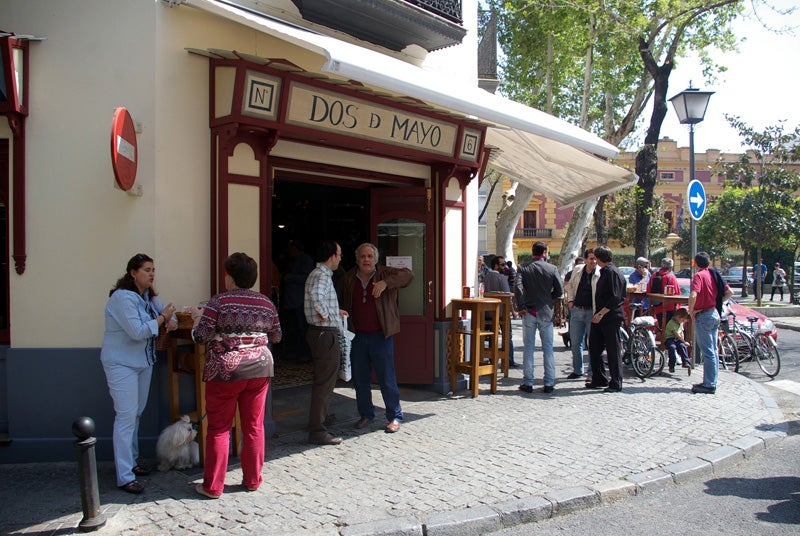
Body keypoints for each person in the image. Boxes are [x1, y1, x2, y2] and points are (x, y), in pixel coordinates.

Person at [191, 252, 282, 499]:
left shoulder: (218, 302)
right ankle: (253, 480)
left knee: (220, 428)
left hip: (226, 371)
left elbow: (201, 336)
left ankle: (213, 486)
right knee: (254, 426)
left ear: (228, 276)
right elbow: (276, 336)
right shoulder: (266, 303)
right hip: (260, 369)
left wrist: (198, 319)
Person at [101, 253, 177, 494]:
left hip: (143, 362)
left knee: (136, 414)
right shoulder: (123, 298)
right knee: (125, 416)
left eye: (153, 269)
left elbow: (168, 313)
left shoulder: (148, 297)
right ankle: (124, 475)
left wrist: (170, 319)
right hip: (121, 364)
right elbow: (137, 331)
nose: (152, 274)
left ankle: (131, 463)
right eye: (146, 270)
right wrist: (163, 318)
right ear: (133, 273)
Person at [337, 243, 413, 433]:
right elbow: (341, 300)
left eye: (370, 256)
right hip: (358, 336)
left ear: (376, 259)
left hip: (381, 335)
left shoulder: (385, 273)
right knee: (360, 379)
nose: (366, 260)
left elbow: (408, 275)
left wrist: (386, 283)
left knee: (387, 378)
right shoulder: (348, 277)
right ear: (357, 259)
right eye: (362, 256)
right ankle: (366, 414)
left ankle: (395, 416)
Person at [304, 240, 348, 445]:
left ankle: (319, 419)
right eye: (339, 254)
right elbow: (316, 296)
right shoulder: (321, 275)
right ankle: (317, 430)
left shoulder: (319, 275)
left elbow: (318, 297)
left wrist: (333, 312)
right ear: (331, 256)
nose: (340, 258)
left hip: (322, 332)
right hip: (324, 333)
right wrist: (325, 314)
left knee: (325, 380)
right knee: (325, 382)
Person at [514, 241, 563, 394]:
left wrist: (521, 306)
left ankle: (528, 382)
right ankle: (549, 382)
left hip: (529, 311)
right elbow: (559, 290)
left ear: (532, 252)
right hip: (546, 311)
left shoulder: (523, 268)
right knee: (548, 348)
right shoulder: (552, 268)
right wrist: (549, 298)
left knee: (528, 348)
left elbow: (518, 287)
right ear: (545, 253)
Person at [688, 251, 733, 394]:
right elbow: (729, 292)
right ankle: (711, 381)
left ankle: (709, 384)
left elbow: (694, 294)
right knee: (713, 350)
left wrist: (691, 310)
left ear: (696, 263)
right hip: (714, 313)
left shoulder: (699, 276)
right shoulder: (713, 274)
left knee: (708, 351)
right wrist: (717, 302)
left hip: (704, 315)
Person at [586, 246, 627, 393]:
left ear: (598, 258)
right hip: (602, 316)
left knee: (612, 349)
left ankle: (616, 381)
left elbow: (616, 297)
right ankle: (599, 378)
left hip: (610, 316)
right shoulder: (606, 271)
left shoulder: (611, 272)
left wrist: (601, 313)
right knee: (595, 347)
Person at [564, 249, 599, 381]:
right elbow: (570, 286)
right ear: (585, 260)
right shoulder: (578, 270)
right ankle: (577, 370)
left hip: (592, 311)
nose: (593, 261)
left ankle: (591, 372)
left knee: (593, 343)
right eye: (591, 258)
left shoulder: (599, 273)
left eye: (595, 259)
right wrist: (571, 301)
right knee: (576, 342)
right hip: (577, 310)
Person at [279, 240, 314, 360]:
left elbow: (308, 278)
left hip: (300, 301)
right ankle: (293, 353)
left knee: (302, 329)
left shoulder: (306, 260)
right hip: (290, 301)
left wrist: (290, 277)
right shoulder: (290, 261)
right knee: (291, 328)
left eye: (292, 248)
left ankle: (303, 354)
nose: (290, 251)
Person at [482, 255, 516, 366]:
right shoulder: (502, 278)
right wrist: (513, 311)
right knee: (508, 335)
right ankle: (509, 360)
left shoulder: (486, 277)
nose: (505, 266)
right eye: (502, 264)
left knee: (492, 335)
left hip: (488, 312)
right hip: (502, 312)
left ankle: (493, 359)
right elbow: (508, 297)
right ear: (496, 266)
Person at [647, 258, 680, 326]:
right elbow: (677, 293)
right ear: (671, 267)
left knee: (660, 327)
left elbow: (648, 290)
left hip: (657, 307)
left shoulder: (654, 276)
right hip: (669, 308)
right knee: (668, 330)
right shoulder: (671, 277)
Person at [663, 308, 692, 374]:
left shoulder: (680, 323)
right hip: (670, 338)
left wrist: (683, 342)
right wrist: (684, 341)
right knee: (672, 347)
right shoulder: (671, 323)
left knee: (682, 346)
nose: (682, 321)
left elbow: (681, 332)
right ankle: (672, 365)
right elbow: (676, 334)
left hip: (677, 339)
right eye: (682, 320)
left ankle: (685, 361)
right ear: (678, 317)